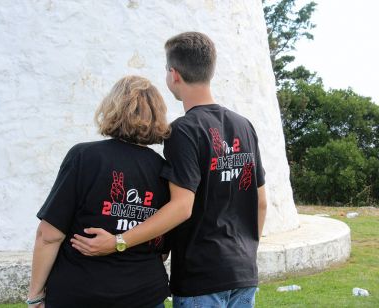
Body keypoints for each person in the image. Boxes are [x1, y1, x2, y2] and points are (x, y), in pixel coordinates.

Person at [71, 32, 267, 308]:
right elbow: (260, 203)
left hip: (202, 276)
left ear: (174, 74)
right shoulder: (244, 125)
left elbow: (181, 207)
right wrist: (246, 254)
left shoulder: (184, 131)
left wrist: (118, 241)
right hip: (244, 273)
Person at [27, 75, 172, 308]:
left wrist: (35, 296)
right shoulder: (165, 170)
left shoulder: (84, 157)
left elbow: (49, 235)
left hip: (80, 293)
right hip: (144, 294)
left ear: (113, 108)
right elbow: (162, 248)